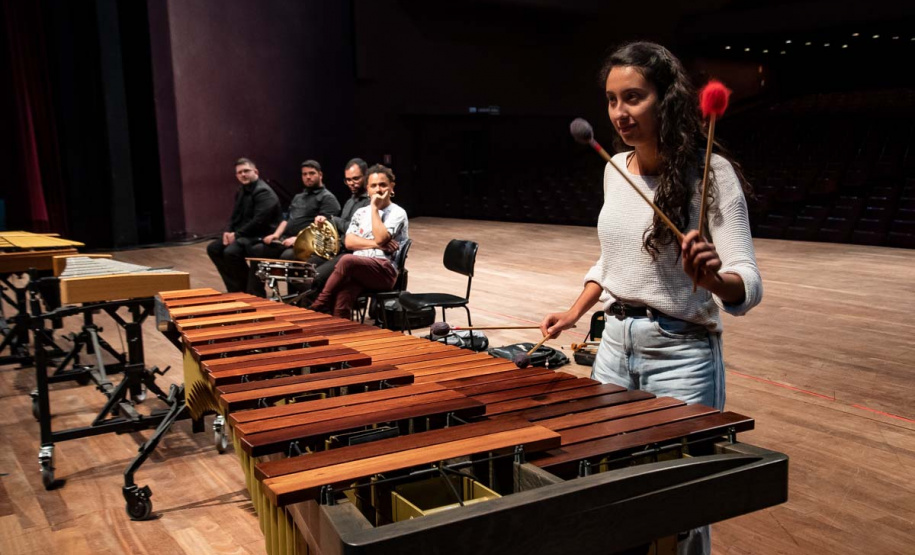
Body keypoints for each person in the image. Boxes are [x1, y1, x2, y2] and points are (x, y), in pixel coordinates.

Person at [538, 42, 762, 555]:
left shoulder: (710, 174)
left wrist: (711, 278)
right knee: (608, 489)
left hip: (681, 355)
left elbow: (747, 283)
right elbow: (612, 260)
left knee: (680, 507)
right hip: (613, 347)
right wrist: (575, 311)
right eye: (613, 100)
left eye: (634, 97)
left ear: (667, 99)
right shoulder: (613, 167)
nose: (620, 113)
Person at [310, 164, 408, 319]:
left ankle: (321, 301)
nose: (378, 189)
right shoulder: (360, 213)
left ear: (391, 187)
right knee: (342, 301)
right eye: (373, 186)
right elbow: (349, 242)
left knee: (346, 259)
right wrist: (376, 244)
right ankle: (343, 337)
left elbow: (382, 237)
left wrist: (374, 209)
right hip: (359, 269)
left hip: (384, 271)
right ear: (368, 189)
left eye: (383, 185)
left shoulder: (398, 212)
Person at [247, 160, 341, 295]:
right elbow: (287, 219)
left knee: (288, 256)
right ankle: (255, 296)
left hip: (310, 244)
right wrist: (276, 235)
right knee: (257, 250)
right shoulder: (299, 197)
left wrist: (298, 239)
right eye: (304, 174)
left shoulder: (328, 198)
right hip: (286, 240)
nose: (308, 177)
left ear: (320, 175)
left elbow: (325, 229)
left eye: (312, 173)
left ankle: (294, 300)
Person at [297, 158, 372, 302]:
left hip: (354, 253)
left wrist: (334, 220)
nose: (351, 183)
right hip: (340, 249)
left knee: (314, 277)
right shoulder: (350, 201)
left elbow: (357, 230)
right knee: (302, 271)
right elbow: (341, 228)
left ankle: (321, 313)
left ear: (366, 176)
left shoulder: (370, 202)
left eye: (355, 178)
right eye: (348, 180)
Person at [207, 157, 282, 293]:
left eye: (246, 171)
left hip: (261, 235)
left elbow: (259, 221)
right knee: (213, 248)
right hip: (246, 234)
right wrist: (228, 232)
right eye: (239, 172)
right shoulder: (241, 190)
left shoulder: (263, 192)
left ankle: (249, 291)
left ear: (256, 172)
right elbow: (235, 216)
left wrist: (236, 235)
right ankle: (236, 289)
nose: (243, 174)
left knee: (231, 252)